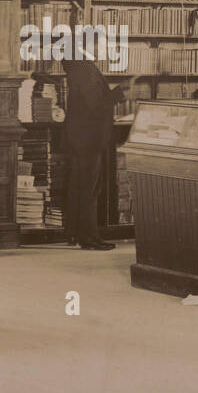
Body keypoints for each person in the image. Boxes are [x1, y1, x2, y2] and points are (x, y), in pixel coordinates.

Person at [53, 55, 123, 251]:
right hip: (88, 140)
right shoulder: (85, 68)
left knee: (80, 188)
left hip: (80, 138)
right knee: (89, 190)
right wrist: (120, 91)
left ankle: (76, 233)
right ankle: (89, 238)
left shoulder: (77, 66)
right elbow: (96, 104)